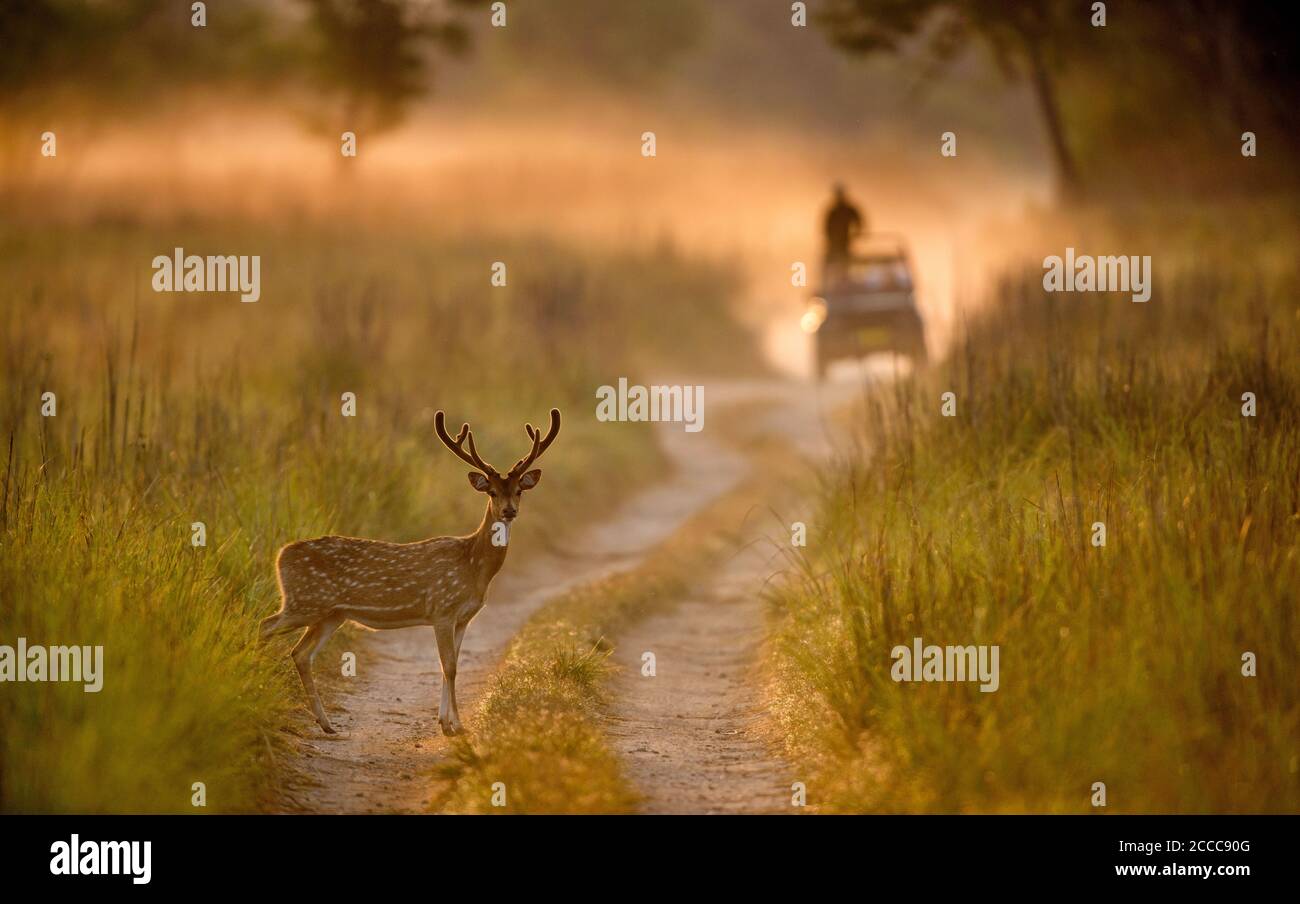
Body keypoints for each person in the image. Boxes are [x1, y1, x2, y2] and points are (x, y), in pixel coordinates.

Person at [823, 183, 864, 284]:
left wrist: (857, 234)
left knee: (846, 263)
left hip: (846, 243)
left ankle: (847, 281)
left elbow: (859, 222)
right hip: (835, 244)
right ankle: (836, 282)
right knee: (831, 264)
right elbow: (826, 229)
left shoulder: (846, 210)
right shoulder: (833, 212)